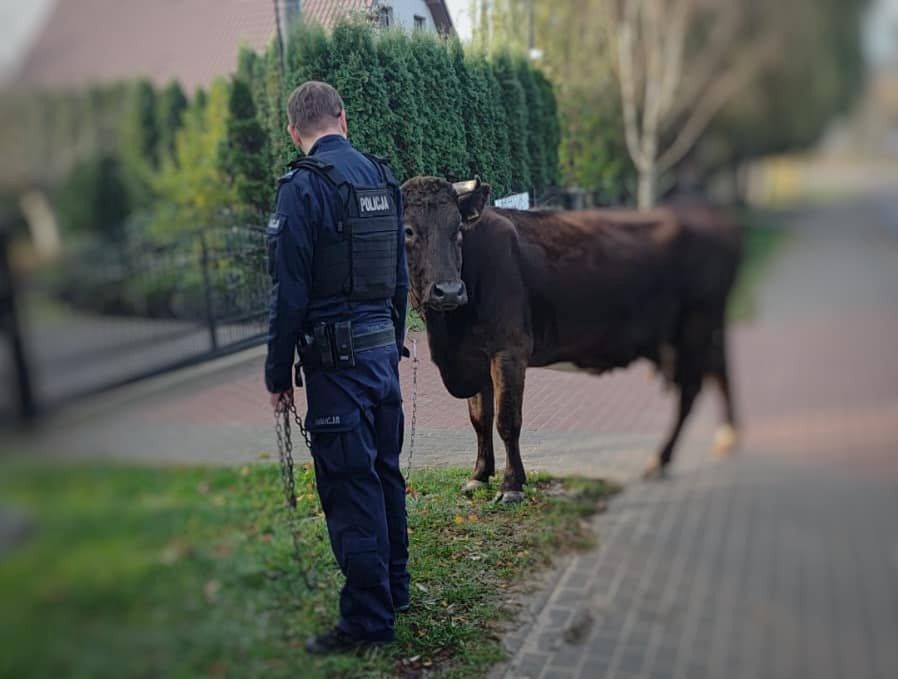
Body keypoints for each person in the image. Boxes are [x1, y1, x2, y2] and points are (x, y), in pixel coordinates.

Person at [264, 81, 410, 654]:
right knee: (385, 475)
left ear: (294, 132)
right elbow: (399, 278)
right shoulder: (381, 176)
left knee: (351, 489)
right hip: (381, 359)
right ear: (342, 119)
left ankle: (369, 622)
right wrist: (393, 343)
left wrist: (278, 375)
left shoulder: (302, 189)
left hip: (336, 367)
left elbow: (290, 295)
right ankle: (395, 589)